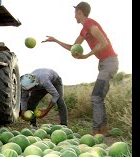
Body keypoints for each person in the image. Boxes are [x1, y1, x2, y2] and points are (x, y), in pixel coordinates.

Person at [42, 1, 119, 136]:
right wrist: (56, 41)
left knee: (96, 97)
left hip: (109, 62)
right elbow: (73, 47)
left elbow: (104, 43)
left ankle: (96, 131)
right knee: (99, 97)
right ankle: (104, 130)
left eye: (75, 14)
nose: (74, 17)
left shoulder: (90, 23)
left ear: (79, 12)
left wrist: (86, 55)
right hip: (103, 63)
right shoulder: (84, 29)